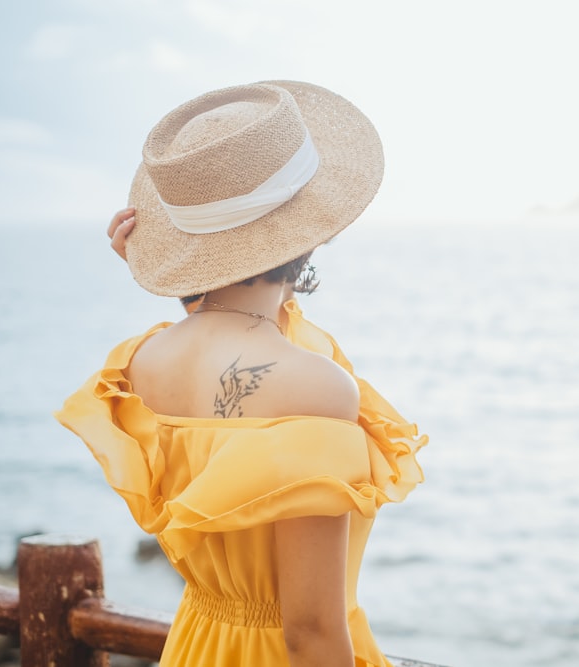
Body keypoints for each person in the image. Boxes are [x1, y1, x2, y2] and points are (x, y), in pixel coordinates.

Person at [55, 81, 427, 667]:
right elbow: (309, 629)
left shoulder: (138, 364)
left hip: (197, 645)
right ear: (314, 225)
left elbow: (224, 350)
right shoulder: (316, 388)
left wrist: (181, 281)